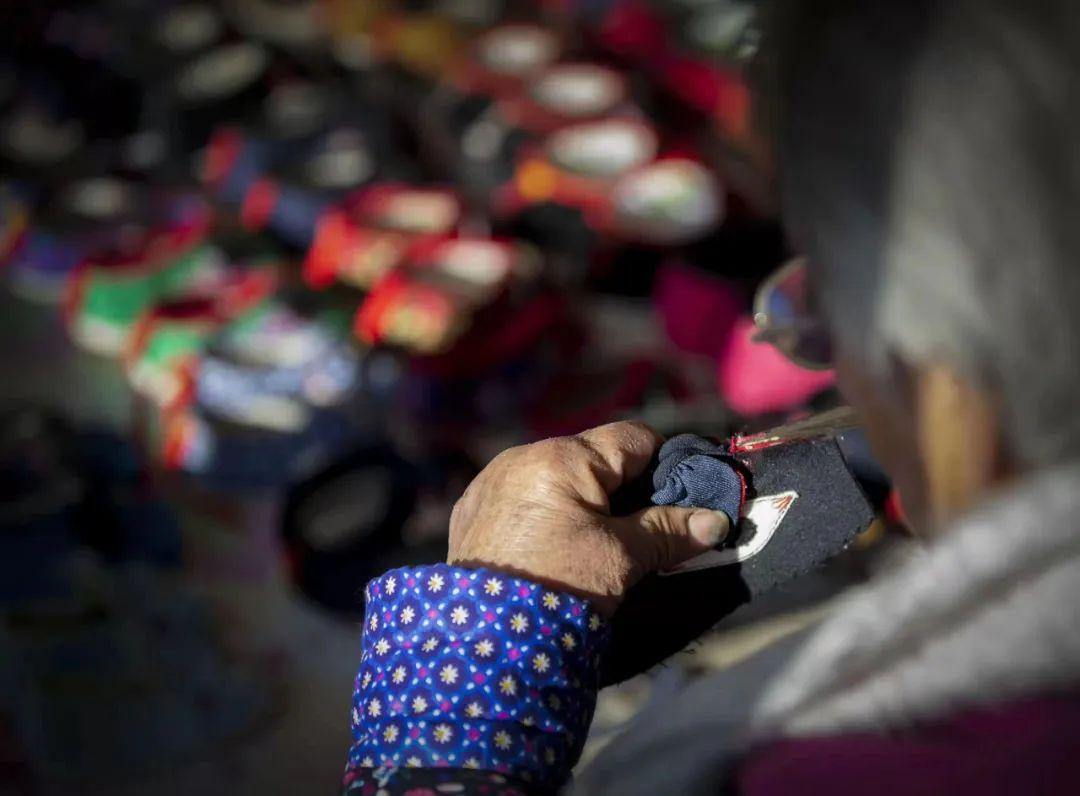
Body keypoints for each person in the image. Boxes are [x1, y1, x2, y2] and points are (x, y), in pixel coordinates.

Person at [343, 0, 1080, 792]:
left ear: (951, 381)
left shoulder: (856, 769)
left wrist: (475, 666)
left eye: (825, 307)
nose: (812, 346)